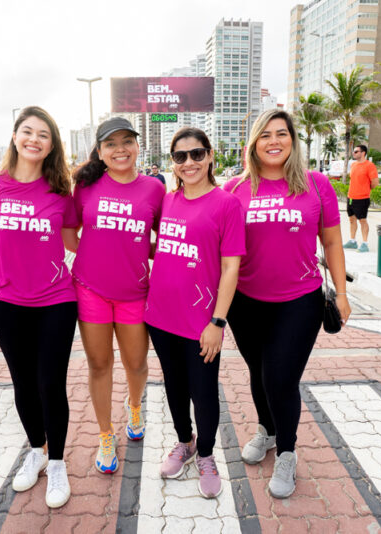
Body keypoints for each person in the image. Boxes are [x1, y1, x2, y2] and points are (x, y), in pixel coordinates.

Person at [224, 109, 351, 498]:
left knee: (280, 378)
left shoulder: (315, 185)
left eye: (281, 133)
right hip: (244, 302)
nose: (274, 141)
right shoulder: (234, 189)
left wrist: (342, 294)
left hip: (299, 300)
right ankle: (267, 429)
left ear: (293, 141)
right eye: (265, 135)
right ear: (254, 144)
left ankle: (288, 451)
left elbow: (331, 242)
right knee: (259, 372)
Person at [0, 106, 79, 508]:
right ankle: (36, 450)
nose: (34, 139)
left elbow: (72, 244)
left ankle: (58, 462)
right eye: (27, 131)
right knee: (23, 384)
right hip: (8, 302)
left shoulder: (61, 192)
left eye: (43, 135)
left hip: (57, 302)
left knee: (51, 384)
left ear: (52, 146)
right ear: (15, 136)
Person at [145, 127, 245, 499]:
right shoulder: (167, 201)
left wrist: (218, 322)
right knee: (173, 386)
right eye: (181, 156)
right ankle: (184, 443)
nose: (189, 162)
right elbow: (161, 244)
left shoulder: (226, 204)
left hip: (202, 321)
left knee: (203, 392)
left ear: (210, 157)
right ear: (173, 162)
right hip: (159, 317)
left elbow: (231, 267)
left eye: (197, 154)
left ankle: (205, 455)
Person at [71, 117, 166, 474]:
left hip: (135, 293)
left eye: (128, 141)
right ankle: (105, 434)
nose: (121, 149)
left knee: (137, 364)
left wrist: (138, 251)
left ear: (138, 146)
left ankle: (136, 406)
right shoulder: (87, 185)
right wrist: (98, 255)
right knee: (99, 365)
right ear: (100, 151)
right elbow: (70, 234)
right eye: (111, 144)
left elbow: (169, 236)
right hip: (90, 290)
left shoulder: (154, 189)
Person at [342, 144, 378, 253]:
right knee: (351, 219)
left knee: (362, 220)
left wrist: (365, 190)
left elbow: (375, 183)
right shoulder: (353, 165)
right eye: (354, 151)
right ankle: (353, 241)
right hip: (351, 197)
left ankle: (365, 243)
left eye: (356, 151)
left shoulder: (370, 165)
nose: (354, 153)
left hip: (362, 198)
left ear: (363, 153)